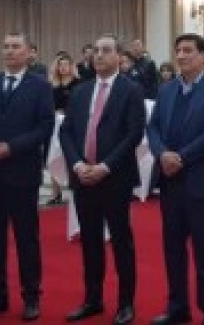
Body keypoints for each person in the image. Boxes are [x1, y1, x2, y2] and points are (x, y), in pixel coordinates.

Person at [0, 33, 55, 322]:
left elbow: (44, 127)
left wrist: (12, 148)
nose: (9, 51)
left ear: (29, 53)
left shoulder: (40, 86)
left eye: (16, 47)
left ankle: (31, 297)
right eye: (5, 46)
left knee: (26, 238)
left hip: (21, 171)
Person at [145, 33, 204, 325]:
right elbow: (153, 127)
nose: (181, 56)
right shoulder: (167, 89)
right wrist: (162, 154)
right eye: (178, 50)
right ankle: (177, 307)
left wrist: (180, 157)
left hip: (202, 179)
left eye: (188, 51)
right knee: (173, 248)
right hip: (170, 180)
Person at [58, 34, 146, 325]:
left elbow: (133, 134)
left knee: (121, 242)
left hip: (114, 177)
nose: (98, 55)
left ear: (119, 56)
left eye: (106, 50)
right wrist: (77, 164)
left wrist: (105, 166)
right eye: (95, 50)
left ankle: (126, 304)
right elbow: (66, 131)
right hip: (83, 177)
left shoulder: (131, 90)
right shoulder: (81, 91)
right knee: (90, 241)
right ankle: (92, 300)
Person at [48, 52, 82, 206]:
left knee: (71, 156)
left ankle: (75, 188)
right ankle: (56, 192)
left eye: (65, 65)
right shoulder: (53, 85)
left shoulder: (78, 84)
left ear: (71, 67)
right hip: (56, 125)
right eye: (60, 65)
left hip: (73, 125)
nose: (62, 67)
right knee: (54, 156)